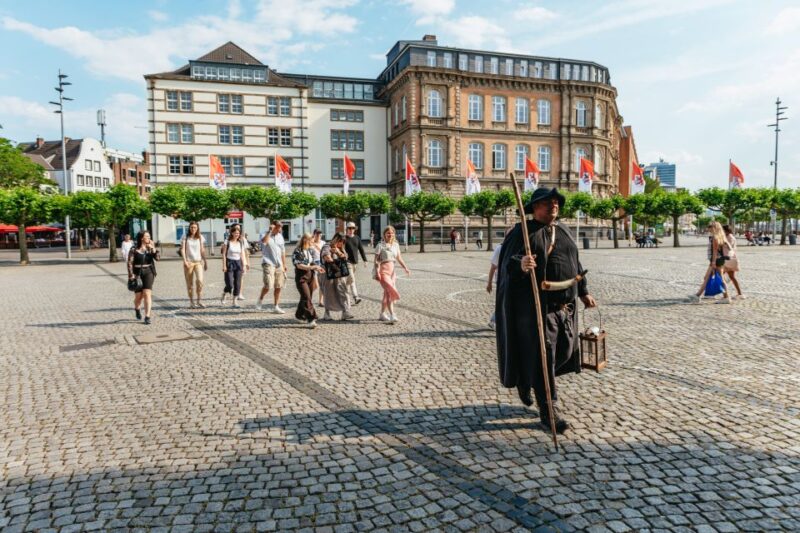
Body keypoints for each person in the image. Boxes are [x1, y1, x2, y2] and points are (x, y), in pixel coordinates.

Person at [495, 188, 597, 434]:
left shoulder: (564, 232)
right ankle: (548, 410)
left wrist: (583, 291)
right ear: (535, 207)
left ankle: (525, 379)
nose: (553, 206)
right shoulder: (522, 232)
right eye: (547, 203)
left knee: (564, 350)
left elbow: (576, 263)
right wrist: (520, 264)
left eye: (555, 203)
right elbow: (507, 262)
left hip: (566, 308)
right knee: (544, 357)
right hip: (536, 310)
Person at [374, 226, 410, 323]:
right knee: (390, 291)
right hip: (383, 272)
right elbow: (376, 261)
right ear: (384, 234)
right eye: (388, 233)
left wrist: (405, 267)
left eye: (392, 233)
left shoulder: (395, 245)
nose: (390, 235)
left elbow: (399, 258)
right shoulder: (380, 245)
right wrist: (377, 272)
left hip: (392, 273)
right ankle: (392, 315)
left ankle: (382, 314)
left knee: (386, 294)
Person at [691, 221, 732, 304]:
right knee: (708, 277)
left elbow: (715, 251)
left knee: (717, 278)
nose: (708, 228)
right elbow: (730, 247)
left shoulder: (715, 238)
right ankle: (698, 295)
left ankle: (726, 297)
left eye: (710, 226)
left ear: (715, 228)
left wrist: (713, 262)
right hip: (719, 260)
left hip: (716, 260)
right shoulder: (721, 237)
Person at [127, 230, 160, 325]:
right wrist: (131, 275)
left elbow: (157, 258)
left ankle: (147, 316)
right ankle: (137, 308)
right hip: (137, 273)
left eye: (149, 237)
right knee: (138, 297)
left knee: (147, 293)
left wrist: (153, 249)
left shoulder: (150, 248)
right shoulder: (134, 249)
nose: (149, 238)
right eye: (147, 236)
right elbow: (129, 263)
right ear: (142, 238)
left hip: (149, 271)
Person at [320, 233, 354, 321]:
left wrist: (338, 252)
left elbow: (345, 257)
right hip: (328, 273)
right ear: (336, 239)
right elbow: (326, 257)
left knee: (343, 290)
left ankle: (345, 312)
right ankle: (327, 313)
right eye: (340, 241)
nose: (341, 243)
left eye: (343, 242)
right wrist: (335, 264)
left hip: (339, 274)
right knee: (328, 293)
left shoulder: (340, 248)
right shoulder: (327, 246)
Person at [292, 233, 324, 327]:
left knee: (305, 297)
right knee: (307, 297)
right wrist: (311, 267)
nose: (313, 243)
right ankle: (311, 319)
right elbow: (299, 265)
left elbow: (311, 262)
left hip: (310, 277)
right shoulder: (297, 251)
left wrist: (317, 267)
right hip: (301, 278)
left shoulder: (309, 251)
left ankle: (299, 315)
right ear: (306, 240)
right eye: (311, 241)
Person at [255, 221, 286, 313]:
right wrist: (269, 231)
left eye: (281, 227)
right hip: (268, 262)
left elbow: (283, 251)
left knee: (278, 286)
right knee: (268, 285)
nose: (280, 229)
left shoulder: (280, 236)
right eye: (278, 227)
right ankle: (260, 299)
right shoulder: (264, 233)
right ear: (273, 226)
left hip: (279, 264)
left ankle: (276, 306)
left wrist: (284, 265)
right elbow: (264, 242)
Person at [181, 221, 207, 308]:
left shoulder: (200, 237)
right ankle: (192, 302)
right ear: (189, 228)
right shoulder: (185, 237)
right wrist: (185, 261)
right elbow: (182, 249)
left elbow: (202, 250)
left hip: (198, 262)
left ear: (197, 228)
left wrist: (205, 261)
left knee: (200, 281)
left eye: (195, 227)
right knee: (189, 284)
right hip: (189, 262)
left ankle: (199, 300)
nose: (193, 229)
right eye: (192, 227)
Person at [221, 226, 249, 307]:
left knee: (237, 283)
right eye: (235, 233)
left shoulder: (240, 242)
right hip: (229, 263)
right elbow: (223, 254)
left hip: (238, 263)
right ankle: (224, 293)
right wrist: (224, 265)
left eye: (238, 233)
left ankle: (234, 301)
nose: (237, 234)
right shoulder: (227, 242)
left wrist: (244, 265)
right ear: (232, 233)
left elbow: (242, 254)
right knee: (229, 284)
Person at [344, 222, 367, 305]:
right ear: (347, 229)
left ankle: (346, 298)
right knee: (352, 279)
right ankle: (356, 297)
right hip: (347, 262)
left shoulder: (357, 238)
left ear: (355, 229)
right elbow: (340, 248)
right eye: (349, 228)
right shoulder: (344, 238)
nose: (351, 230)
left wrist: (365, 260)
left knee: (348, 281)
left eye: (353, 228)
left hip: (355, 262)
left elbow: (361, 249)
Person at [722, 224, 744, 299]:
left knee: (719, 276)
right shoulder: (730, 237)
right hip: (731, 259)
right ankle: (740, 293)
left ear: (727, 231)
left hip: (727, 259)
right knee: (732, 277)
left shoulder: (729, 238)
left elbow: (728, 247)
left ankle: (724, 295)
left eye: (723, 230)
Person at [310, 229, 326, 307]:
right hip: (313, 263)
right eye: (317, 234)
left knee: (322, 283)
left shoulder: (323, 243)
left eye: (320, 235)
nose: (319, 236)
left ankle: (320, 301)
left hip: (321, 263)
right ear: (314, 235)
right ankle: (308, 297)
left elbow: (324, 252)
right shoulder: (310, 243)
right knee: (315, 285)